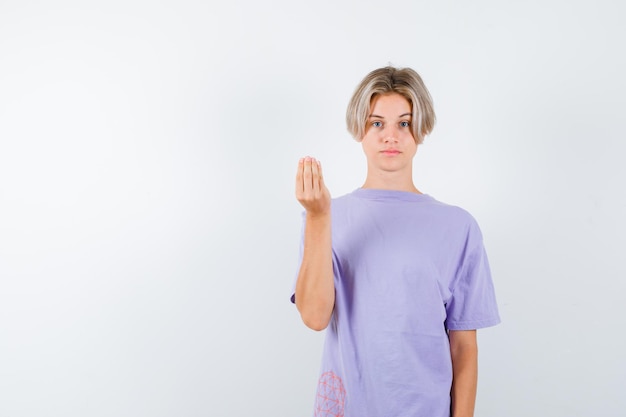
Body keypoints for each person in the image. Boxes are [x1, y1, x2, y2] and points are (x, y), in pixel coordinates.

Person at [291, 66, 500, 417]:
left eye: (404, 123)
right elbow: (314, 316)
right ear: (360, 129)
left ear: (421, 129)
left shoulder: (458, 226)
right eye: (377, 123)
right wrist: (318, 216)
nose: (391, 136)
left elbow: (464, 347)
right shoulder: (327, 216)